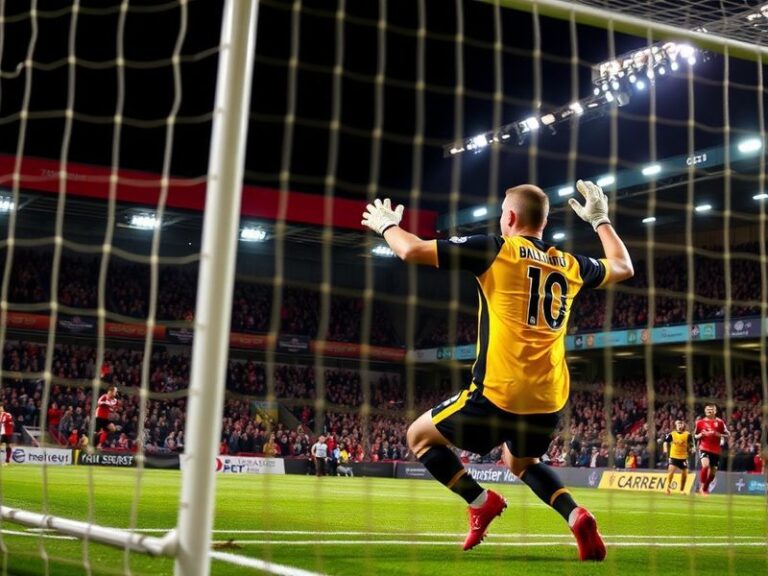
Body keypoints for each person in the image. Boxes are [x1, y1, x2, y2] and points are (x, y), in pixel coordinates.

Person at [361, 180, 633, 560]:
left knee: (419, 436)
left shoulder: (496, 249)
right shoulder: (569, 263)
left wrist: (387, 224)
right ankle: (576, 515)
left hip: (499, 391)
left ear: (509, 216)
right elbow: (623, 266)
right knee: (520, 462)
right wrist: (601, 220)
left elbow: (411, 250)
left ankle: (481, 501)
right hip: (549, 398)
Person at [694, 403, 730, 495]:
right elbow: (695, 435)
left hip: (715, 450)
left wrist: (719, 434)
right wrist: (701, 435)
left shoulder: (720, 422)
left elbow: (728, 435)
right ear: (705, 411)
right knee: (705, 466)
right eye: (708, 409)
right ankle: (702, 488)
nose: (710, 411)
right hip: (703, 448)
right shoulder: (700, 423)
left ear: (715, 411)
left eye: (712, 409)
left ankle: (705, 488)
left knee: (712, 474)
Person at [662, 419, 693, 495]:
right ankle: (667, 489)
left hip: (683, 457)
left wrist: (692, 449)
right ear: (676, 426)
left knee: (685, 473)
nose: (680, 426)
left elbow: (691, 445)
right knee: (671, 473)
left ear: (683, 425)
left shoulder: (688, 435)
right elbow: (665, 442)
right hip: (674, 456)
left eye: (681, 424)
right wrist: (665, 449)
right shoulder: (672, 434)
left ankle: (682, 490)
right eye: (678, 424)